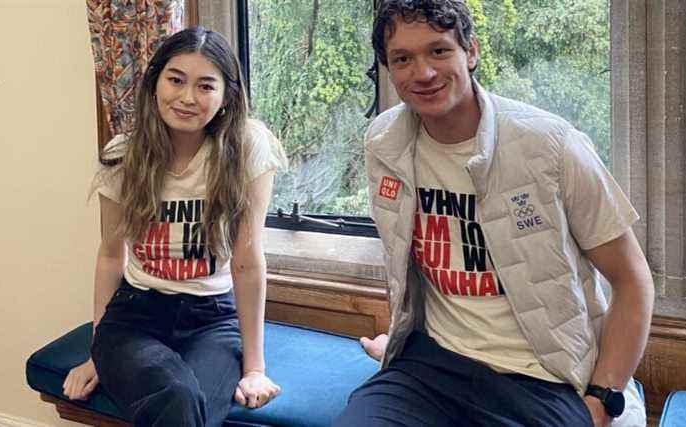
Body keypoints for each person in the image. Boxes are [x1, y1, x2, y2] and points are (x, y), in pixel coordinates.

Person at [336, 1, 653, 426]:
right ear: (389, 70)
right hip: (433, 364)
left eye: (438, 51)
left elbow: (632, 280)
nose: (423, 72)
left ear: (471, 52)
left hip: (544, 376)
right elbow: (402, 260)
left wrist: (601, 399)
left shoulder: (550, 145)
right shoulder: (384, 143)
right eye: (403, 59)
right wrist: (397, 339)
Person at [61, 27, 285, 426]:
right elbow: (112, 255)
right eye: (176, 80)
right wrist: (98, 352)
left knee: (189, 404)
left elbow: (247, 261)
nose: (187, 98)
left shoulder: (247, 149)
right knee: (177, 396)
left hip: (212, 318)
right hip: (134, 317)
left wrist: (255, 369)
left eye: (205, 86)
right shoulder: (123, 155)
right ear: (154, 83)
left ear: (226, 95)